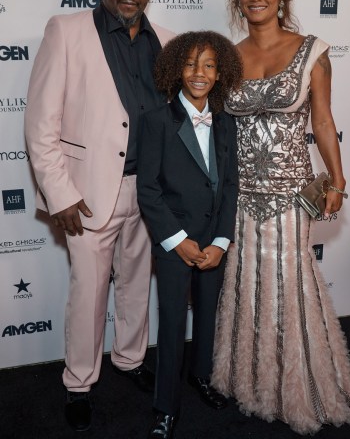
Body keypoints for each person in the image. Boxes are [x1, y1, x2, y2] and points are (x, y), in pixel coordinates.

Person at [211, 0, 350, 435]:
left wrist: (336, 181)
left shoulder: (311, 51)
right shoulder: (228, 56)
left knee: (289, 283)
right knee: (245, 284)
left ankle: (302, 388)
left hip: (290, 196)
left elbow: (322, 122)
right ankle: (251, 383)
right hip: (239, 196)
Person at [24, 0, 174, 432]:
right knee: (88, 291)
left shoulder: (166, 40)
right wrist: (59, 193)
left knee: (136, 284)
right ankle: (79, 381)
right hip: (86, 193)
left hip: (149, 190)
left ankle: (130, 360)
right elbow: (40, 124)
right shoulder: (66, 31)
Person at [136, 31, 242, 439]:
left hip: (213, 241)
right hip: (173, 242)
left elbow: (230, 185)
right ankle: (166, 406)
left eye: (209, 65)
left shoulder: (226, 123)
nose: (199, 73)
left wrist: (220, 242)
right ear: (176, 69)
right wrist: (176, 240)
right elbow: (148, 189)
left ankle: (202, 377)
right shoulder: (156, 121)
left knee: (209, 317)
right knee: (172, 320)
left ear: (220, 74)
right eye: (191, 64)